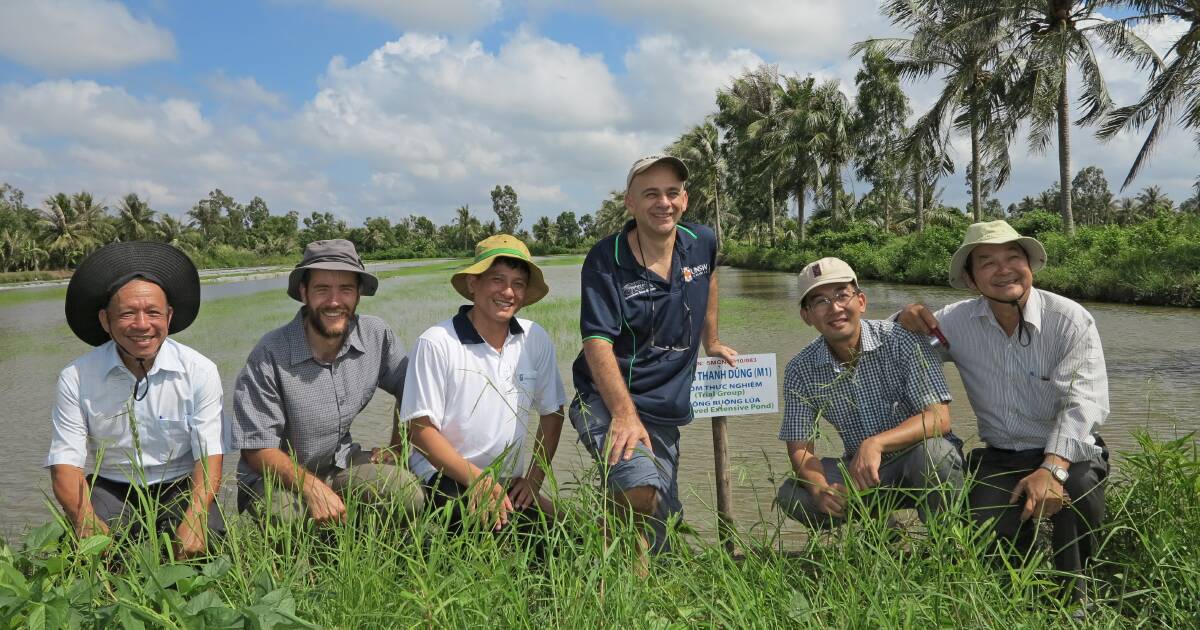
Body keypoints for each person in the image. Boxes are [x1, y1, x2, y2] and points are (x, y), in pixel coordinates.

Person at [897, 220, 1109, 601]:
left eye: (1014, 257)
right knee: (985, 534)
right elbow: (890, 344)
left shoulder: (1069, 319)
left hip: (1067, 452)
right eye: (987, 262)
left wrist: (1051, 468)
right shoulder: (955, 322)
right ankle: (1012, 599)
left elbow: (1084, 402)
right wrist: (904, 317)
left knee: (1075, 489)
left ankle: (1075, 599)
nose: (1004, 269)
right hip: (1001, 456)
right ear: (970, 277)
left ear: (1030, 265)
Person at [570, 154, 737, 552]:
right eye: (650, 194)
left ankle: (610, 542)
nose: (663, 202)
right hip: (605, 399)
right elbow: (596, 341)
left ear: (685, 199)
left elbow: (709, 276)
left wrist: (709, 341)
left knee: (663, 521)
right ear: (629, 202)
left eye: (671, 193)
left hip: (664, 408)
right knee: (641, 490)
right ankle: (611, 539)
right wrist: (625, 416)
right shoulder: (605, 259)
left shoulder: (701, 243)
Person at [47, 241, 224, 558]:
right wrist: (85, 520)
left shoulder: (200, 371)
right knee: (81, 551)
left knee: (209, 542)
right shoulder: (76, 377)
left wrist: (197, 515)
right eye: (127, 313)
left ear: (168, 317)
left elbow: (209, 455)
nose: (142, 325)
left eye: (153, 312)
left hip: (178, 485)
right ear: (106, 320)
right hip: (112, 487)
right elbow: (65, 464)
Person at [232, 239, 424, 524]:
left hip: (340, 465)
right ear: (304, 292)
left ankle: (365, 556)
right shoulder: (270, 354)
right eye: (322, 289)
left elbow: (412, 389)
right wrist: (310, 488)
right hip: (275, 478)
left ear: (358, 293)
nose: (334, 301)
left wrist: (396, 449)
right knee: (287, 518)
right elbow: (257, 449)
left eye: (345, 289)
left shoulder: (375, 335)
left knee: (405, 490)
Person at [775, 257, 963, 529]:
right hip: (862, 472)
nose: (835, 308)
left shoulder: (904, 339)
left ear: (861, 301)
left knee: (937, 455)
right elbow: (800, 448)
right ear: (807, 316)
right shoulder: (800, 369)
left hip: (918, 459)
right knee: (793, 494)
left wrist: (875, 443)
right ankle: (885, 531)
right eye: (820, 302)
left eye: (842, 295)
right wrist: (819, 489)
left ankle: (946, 543)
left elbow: (939, 419)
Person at [399, 235, 567, 532]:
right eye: (497, 280)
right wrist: (476, 478)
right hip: (445, 475)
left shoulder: (534, 338)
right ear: (473, 284)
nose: (508, 292)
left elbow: (552, 412)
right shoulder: (437, 342)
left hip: (508, 480)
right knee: (484, 535)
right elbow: (420, 430)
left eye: (518, 283)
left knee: (561, 539)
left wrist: (533, 480)